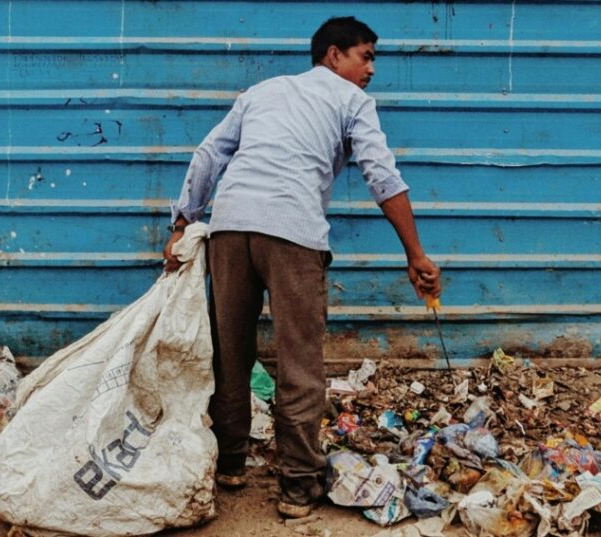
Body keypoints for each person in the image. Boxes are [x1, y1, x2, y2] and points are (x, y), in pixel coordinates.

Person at [163, 16, 441, 518]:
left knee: (231, 351)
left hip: (230, 228)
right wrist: (415, 254)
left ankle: (229, 463)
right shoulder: (353, 101)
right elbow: (382, 175)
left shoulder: (262, 92)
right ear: (334, 56)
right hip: (291, 232)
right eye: (366, 56)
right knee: (299, 364)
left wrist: (182, 223)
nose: (372, 69)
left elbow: (211, 152)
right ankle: (296, 487)